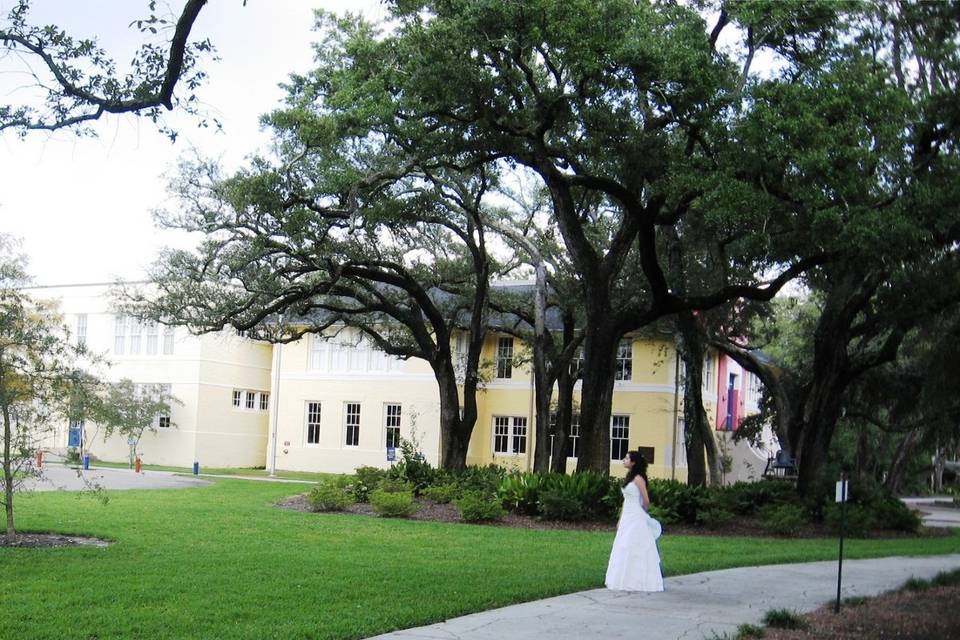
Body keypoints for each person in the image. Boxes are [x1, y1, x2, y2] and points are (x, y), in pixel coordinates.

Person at [605, 450, 664, 592]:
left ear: (634, 462)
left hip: (636, 517)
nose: (624, 460)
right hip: (627, 517)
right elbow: (626, 501)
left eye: (627, 458)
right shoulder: (629, 478)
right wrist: (621, 518)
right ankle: (623, 579)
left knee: (636, 545)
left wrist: (641, 513)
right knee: (623, 545)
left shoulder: (638, 479)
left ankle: (639, 580)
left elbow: (646, 500)